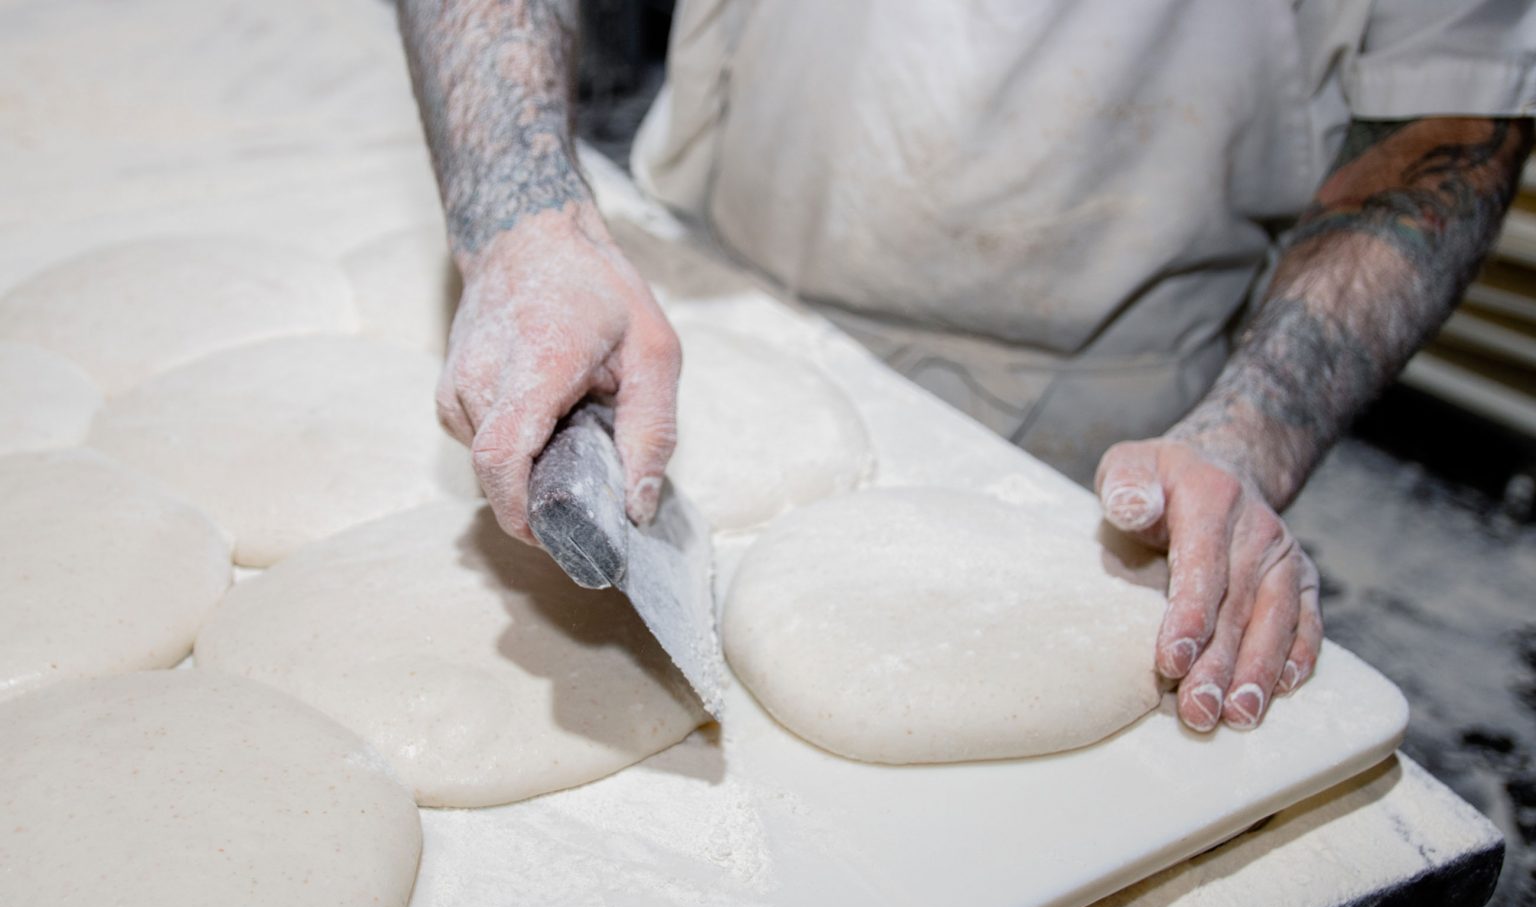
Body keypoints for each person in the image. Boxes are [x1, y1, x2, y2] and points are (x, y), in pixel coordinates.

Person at [396, 0, 1534, 733]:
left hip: (1104, 438)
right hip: (698, 314)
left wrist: (1254, 430)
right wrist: (522, 216)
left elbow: (1442, 130)